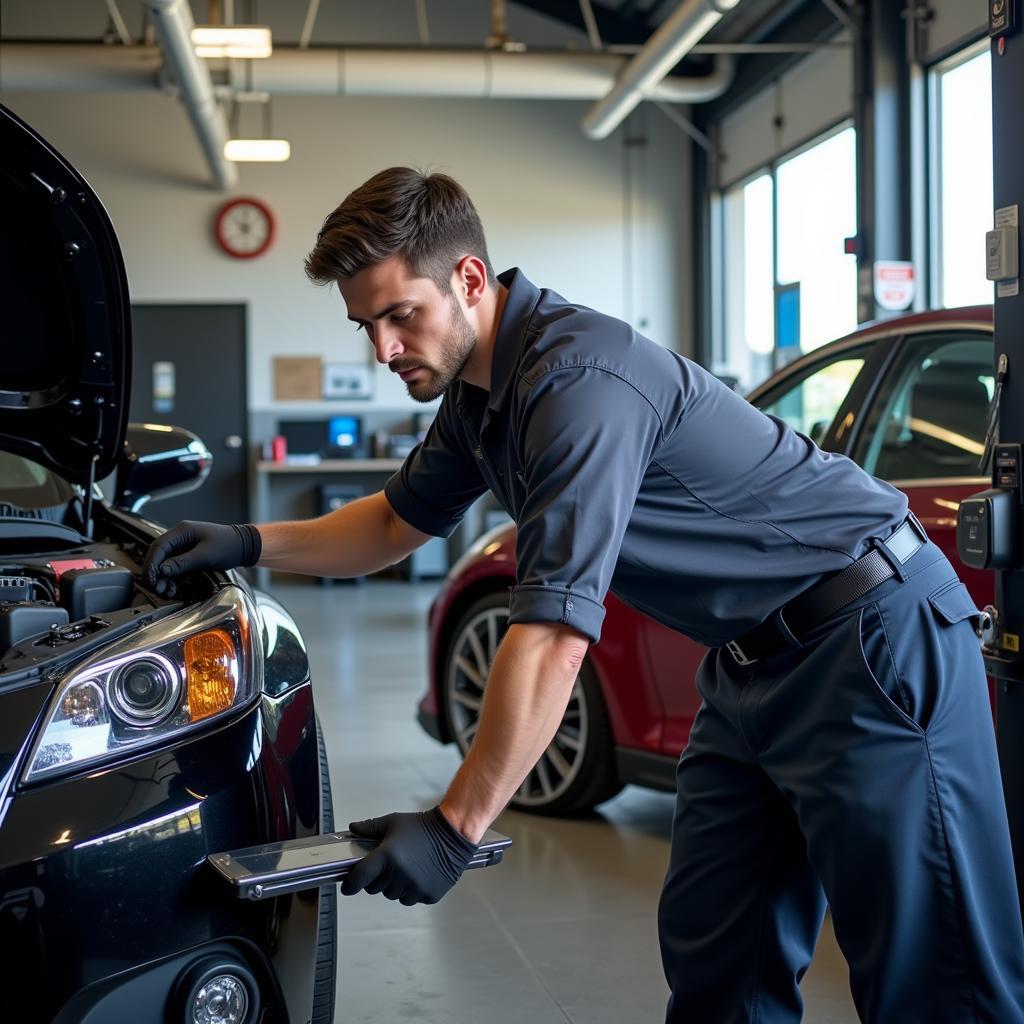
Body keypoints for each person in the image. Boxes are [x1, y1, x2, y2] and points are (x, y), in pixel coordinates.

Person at [143, 167, 1024, 1024]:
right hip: (751, 667)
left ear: (470, 279)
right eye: (364, 325)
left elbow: (555, 633)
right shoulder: (478, 397)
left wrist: (456, 825)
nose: (382, 350)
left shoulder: (576, 380)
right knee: (721, 959)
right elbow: (389, 527)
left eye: (399, 316)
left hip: (868, 640)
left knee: (934, 982)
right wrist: (248, 543)